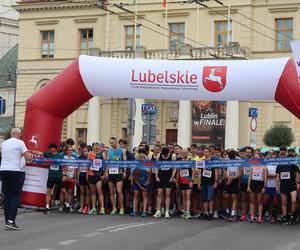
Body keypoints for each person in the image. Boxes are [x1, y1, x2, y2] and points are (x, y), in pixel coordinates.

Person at [0, 128, 32, 230]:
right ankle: (11, 221)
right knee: (15, 196)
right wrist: (29, 155)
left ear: (11, 134)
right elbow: (27, 157)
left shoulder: (4, 143)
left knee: (7, 196)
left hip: (3, 170)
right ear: (19, 134)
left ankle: (7, 221)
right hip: (15, 171)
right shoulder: (20, 142)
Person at [276, 146, 300, 224]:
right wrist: (277, 185)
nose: (283, 156)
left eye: (284, 155)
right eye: (281, 155)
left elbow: (297, 174)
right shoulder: (279, 165)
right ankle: (285, 216)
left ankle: (292, 214)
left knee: (293, 200)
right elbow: (277, 176)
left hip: (292, 185)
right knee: (284, 202)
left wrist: (298, 183)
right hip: (283, 185)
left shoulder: (293, 164)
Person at [106, 137, 127, 216]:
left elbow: (124, 161)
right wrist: (106, 172)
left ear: (116, 142)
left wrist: (124, 171)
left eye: (112, 142)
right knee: (111, 192)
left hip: (119, 172)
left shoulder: (122, 150)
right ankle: (114, 208)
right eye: (110, 142)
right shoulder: (109, 151)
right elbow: (108, 162)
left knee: (119, 191)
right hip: (111, 172)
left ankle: (121, 208)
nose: (111, 144)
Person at [153, 147, 176, 218]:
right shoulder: (158, 156)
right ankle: (158, 210)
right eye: (164, 155)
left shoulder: (173, 156)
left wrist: (172, 177)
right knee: (159, 194)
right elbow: (157, 167)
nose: (165, 156)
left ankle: (167, 211)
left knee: (167, 194)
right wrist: (156, 176)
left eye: (166, 155)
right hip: (161, 176)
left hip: (169, 177)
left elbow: (174, 167)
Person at [43, 143, 65, 214]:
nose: (51, 149)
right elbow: (39, 153)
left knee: (64, 191)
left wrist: (65, 174)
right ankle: (47, 207)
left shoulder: (60, 156)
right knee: (49, 191)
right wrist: (29, 151)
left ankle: (67, 205)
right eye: (50, 148)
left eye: (52, 148)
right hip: (51, 176)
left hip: (59, 176)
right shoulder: (48, 154)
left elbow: (64, 165)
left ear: (55, 148)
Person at [198, 147, 218, 220]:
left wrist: (216, 182)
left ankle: (210, 213)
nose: (205, 153)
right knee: (204, 198)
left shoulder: (213, 161)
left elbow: (216, 172)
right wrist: (199, 183)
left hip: (211, 182)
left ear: (209, 153)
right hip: (203, 182)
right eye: (204, 152)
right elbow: (200, 173)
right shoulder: (201, 161)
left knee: (210, 198)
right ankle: (206, 213)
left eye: (207, 152)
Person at [130, 148, 151, 217]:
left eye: (143, 153)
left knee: (144, 196)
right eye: (140, 153)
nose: (141, 154)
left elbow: (149, 173)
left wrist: (147, 180)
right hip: (137, 181)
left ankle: (144, 211)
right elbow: (133, 175)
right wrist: (139, 185)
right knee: (136, 195)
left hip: (144, 180)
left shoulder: (147, 161)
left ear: (145, 154)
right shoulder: (135, 162)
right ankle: (134, 210)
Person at [87, 143, 107, 215]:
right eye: (95, 145)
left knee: (99, 191)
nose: (96, 147)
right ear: (93, 147)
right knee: (93, 192)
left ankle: (102, 208)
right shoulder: (90, 154)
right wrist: (87, 174)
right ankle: (94, 208)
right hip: (91, 175)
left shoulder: (102, 154)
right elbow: (88, 164)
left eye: (97, 145)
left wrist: (105, 173)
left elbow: (106, 164)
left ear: (99, 147)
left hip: (99, 175)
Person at [247, 154, 267, 223]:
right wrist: (248, 186)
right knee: (252, 201)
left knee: (259, 201)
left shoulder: (264, 167)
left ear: (260, 158)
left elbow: (265, 178)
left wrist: (264, 187)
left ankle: (260, 217)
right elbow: (249, 177)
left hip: (260, 184)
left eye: (258, 157)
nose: (256, 158)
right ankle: (252, 217)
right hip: (253, 183)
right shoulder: (252, 166)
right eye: (255, 157)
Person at [223, 150, 241, 222]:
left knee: (234, 196)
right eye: (230, 157)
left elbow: (241, 171)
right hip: (227, 178)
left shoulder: (239, 160)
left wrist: (233, 178)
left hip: (235, 179)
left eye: (232, 157)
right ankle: (227, 211)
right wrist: (228, 177)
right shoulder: (226, 160)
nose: (231, 158)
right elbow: (224, 169)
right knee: (226, 196)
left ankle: (233, 214)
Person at [177, 149, 193, 219]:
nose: (184, 154)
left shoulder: (190, 161)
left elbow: (194, 171)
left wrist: (191, 181)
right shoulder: (179, 162)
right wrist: (177, 182)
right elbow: (178, 172)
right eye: (183, 153)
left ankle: (188, 212)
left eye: (185, 153)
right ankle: (185, 212)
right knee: (183, 197)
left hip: (188, 181)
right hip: (181, 181)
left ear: (188, 153)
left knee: (188, 196)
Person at [62, 146, 77, 213]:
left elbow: (75, 169)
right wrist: (65, 172)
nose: (70, 151)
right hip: (65, 177)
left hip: (71, 177)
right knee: (64, 191)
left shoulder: (74, 159)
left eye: (71, 150)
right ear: (66, 151)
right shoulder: (64, 158)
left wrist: (75, 178)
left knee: (70, 192)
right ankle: (63, 205)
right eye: (69, 150)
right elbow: (62, 167)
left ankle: (68, 205)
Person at [77, 146, 90, 214]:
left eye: (86, 151)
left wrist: (88, 176)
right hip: (81, 176)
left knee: (88, 192)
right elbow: (78, 169)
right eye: (84, 151)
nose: (85, 152)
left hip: (88, 176)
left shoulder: (90, 158)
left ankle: (87, 207)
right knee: (82, 192)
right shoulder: (79, 158)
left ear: (88, 152)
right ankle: (82, 207)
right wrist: (77, 178)